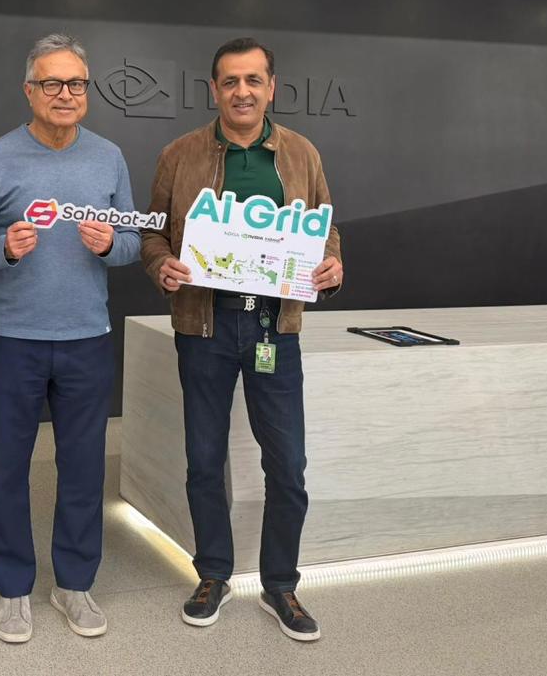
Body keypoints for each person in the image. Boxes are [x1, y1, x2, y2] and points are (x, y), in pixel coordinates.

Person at [139, 37, 343, 642]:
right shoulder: (180, 154)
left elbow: (326, 229)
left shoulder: (301, 153)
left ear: (272, 87)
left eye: (254, 80)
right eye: (230, 81)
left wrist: (332, 266)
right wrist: (160, 264)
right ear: (214, 90)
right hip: (203, 327)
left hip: (273, 328)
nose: (242, 91)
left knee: (288, 465)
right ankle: (213, 574)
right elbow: (153, 234)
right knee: (204, 460)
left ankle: (281, 584)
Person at [0, 34, 140, 644]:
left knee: (84, 467)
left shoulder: (109, 157)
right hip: (13, 337)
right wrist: (3, 249)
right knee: (6, 467)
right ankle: (12, 589)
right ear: (29, 90)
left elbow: (133, 240)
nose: (66, 94)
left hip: (87, 336)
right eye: (52, 83)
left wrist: (112, 245)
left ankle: (74, 584)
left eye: (76, 84)